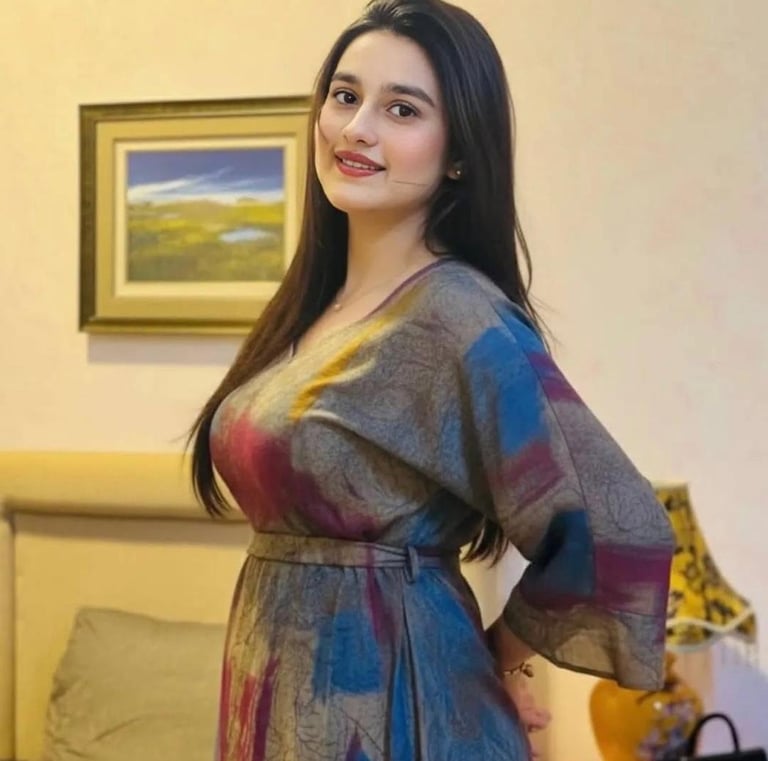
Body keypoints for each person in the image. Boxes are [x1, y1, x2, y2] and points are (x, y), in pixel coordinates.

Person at [188, 0, 675, 758]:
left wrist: (496, 653)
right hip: (287, 689)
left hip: (399, 710)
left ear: (458, 154)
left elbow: (619, 530)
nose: (356, 128)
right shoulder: (314, 307)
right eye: (345, 96)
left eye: (402, 109)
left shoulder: (456, 314)